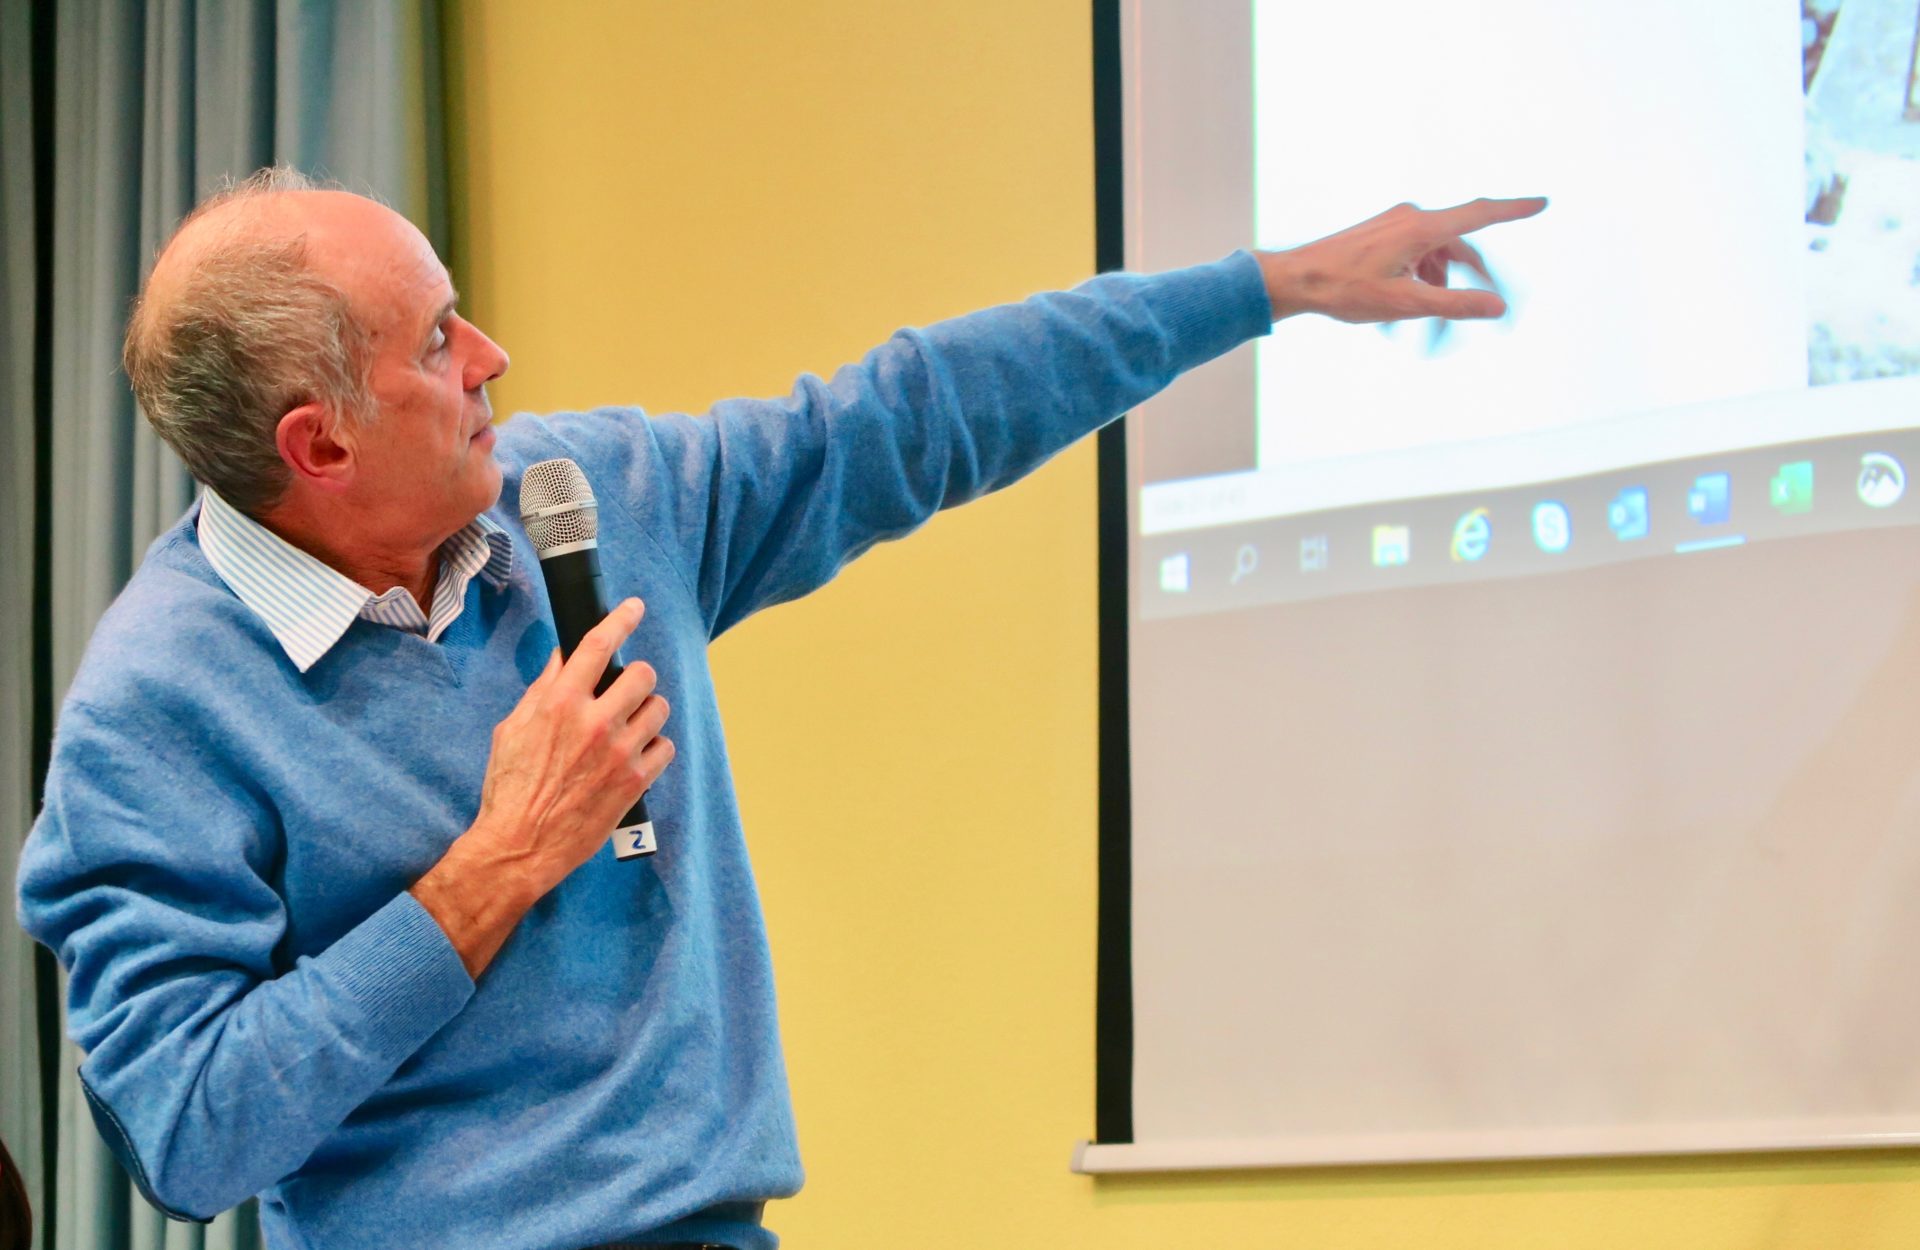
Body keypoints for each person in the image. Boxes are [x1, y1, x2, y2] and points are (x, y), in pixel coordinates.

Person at [14, 167, 1543, 1250]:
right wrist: (495, 864)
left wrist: (1268, 288)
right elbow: (189, 1129)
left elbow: (911, 413)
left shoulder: (593, 495)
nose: (490, 360)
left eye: (457, 314)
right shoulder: (158, 708)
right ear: (320, 447)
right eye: (434, 343)